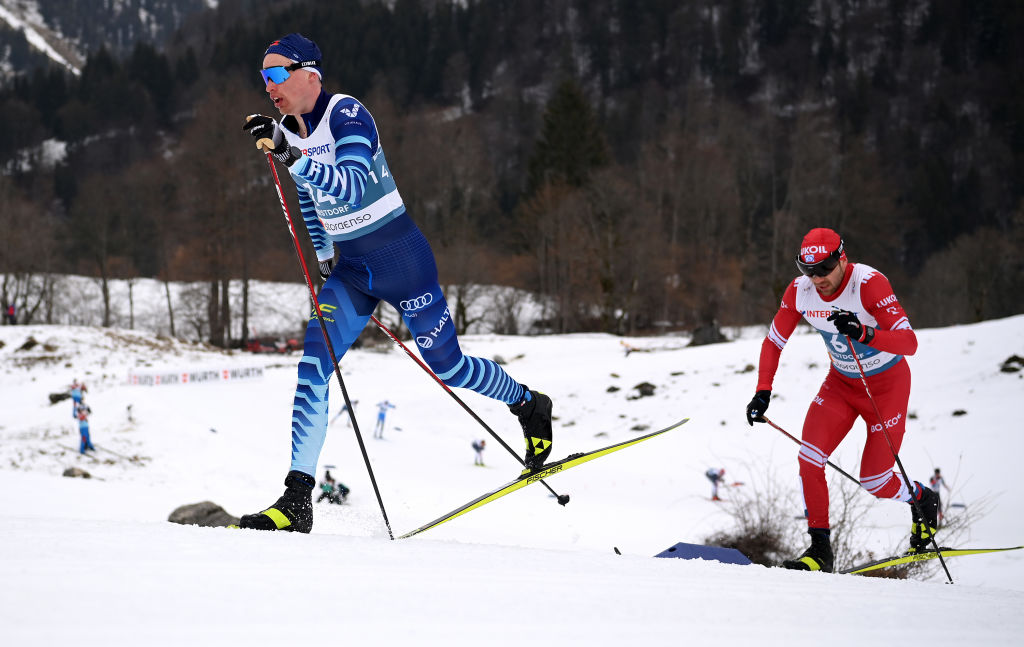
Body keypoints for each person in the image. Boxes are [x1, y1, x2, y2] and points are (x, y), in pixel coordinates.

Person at [237, 33, 553, 533]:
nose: (269, 85)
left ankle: (529, 404)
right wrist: (322, 256)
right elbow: (315, 205)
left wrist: (288, 153)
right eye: (263, 77)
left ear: (308, 72)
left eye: (276, 74)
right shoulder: (291, 133)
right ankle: (296, 501)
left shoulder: (348, 114)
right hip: (354, 272)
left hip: (403, 262)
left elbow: (353, 183)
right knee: (313, 368)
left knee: (448, 366)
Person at [744, 227, 939, 573]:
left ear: (842, 259)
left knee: (875, 481)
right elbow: (773, 342)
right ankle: (820, 551)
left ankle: (922, 499)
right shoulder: (800, 291)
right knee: (809, 457)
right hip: (842, 385)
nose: (817, 278)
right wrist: (763, 390)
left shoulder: (868, 284)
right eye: (808, 270)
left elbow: (909, 343)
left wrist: (863, 331)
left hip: (886, 387)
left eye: (824, 268)